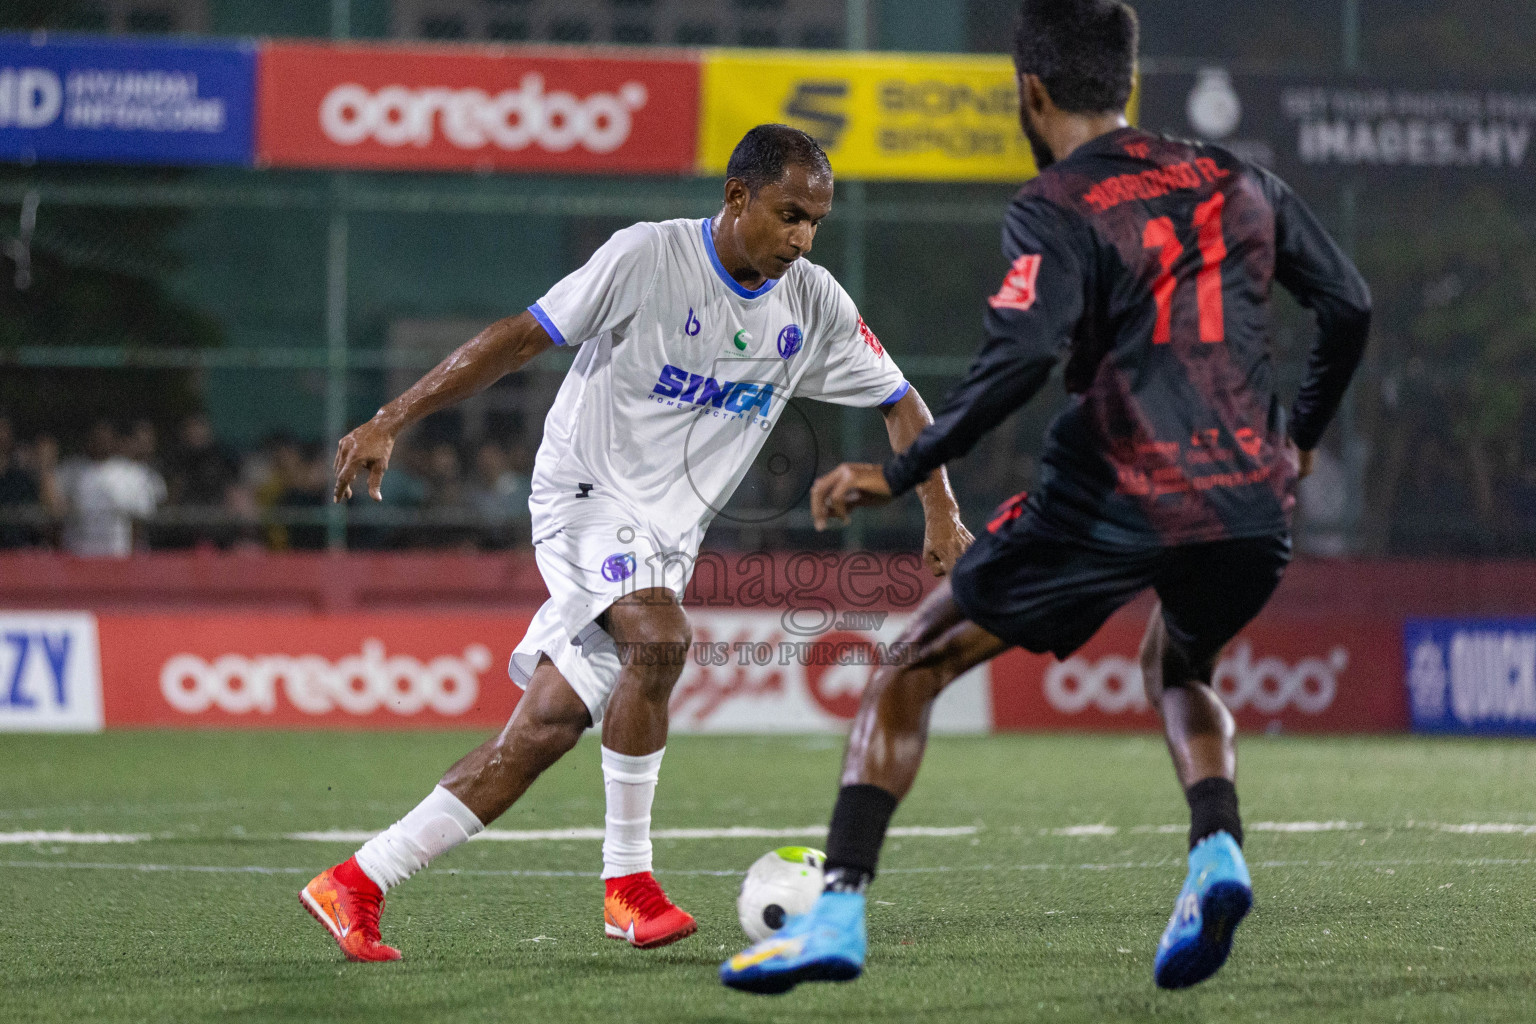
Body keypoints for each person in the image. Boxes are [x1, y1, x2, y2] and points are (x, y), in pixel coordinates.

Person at [721, 0, 1370, 996]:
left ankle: (838, 908)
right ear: (1130, 84)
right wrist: (1302, 439)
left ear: (1030, 91)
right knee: (1180, 660)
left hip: (1119, 486)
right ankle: (1216, 850)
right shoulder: (1241, 179)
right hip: (1251, 499)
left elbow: (1022, 354)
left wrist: (898, 470)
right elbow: (1349, 305)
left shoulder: (1057, 202)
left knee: (911, 663)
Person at [300, 124, 972, 963]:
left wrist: (940, 509)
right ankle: (628, 884)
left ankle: (358, 881)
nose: (802, 238)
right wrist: (391, 418)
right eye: (789, 214)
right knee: (660, 637)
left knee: (541, 733)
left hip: (663, 540)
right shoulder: (647, 258)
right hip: (582, 495)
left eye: (816, 223)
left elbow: (901, 398)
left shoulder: (813, 302)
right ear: (737, 197)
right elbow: (519, 336)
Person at [55, 420, 167, 557]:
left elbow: (138, 522)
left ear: (114, 440)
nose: (101, 441)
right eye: (97, 437)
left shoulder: (132, 473)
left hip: (117, 556)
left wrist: (130, 558)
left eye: (105, 437)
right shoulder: (73, 470)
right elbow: (56, 509)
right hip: (78, 555)